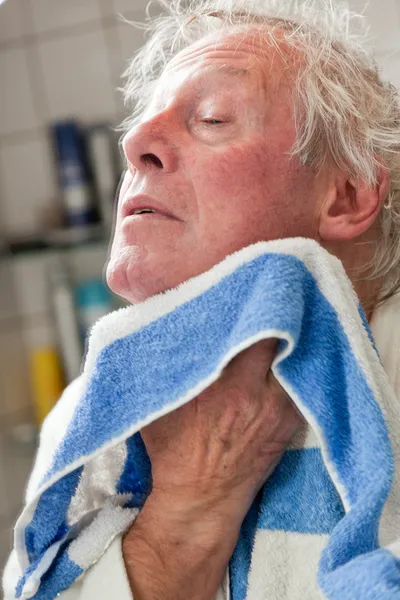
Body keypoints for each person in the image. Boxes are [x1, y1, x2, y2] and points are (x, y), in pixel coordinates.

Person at [4, 1, 400, 599]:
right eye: (141, 120)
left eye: (213, 118)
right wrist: (191, 503)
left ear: (346, 196)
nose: (134, 140)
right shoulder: (88, 416)